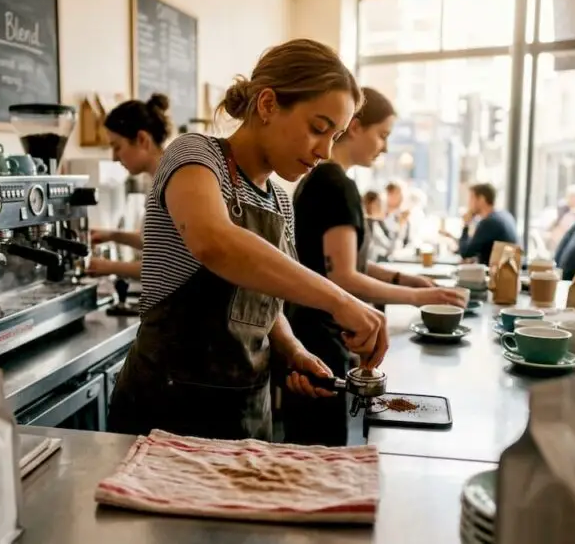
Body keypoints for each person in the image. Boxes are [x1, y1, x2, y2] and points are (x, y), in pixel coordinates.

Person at [107, 39, 388, 441]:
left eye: (336, 135)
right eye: (318, 128)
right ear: (269, 105)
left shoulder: (280, 203)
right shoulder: (195, 156)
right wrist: (339, 299)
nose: (325, 150)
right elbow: (215, 243)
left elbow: (262, 306)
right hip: (166, 415)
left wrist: (293, 352)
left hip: (246, 419)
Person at [282, 87, 466, 446]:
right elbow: (343, 276)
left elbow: (349, 263)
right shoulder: (338, 185)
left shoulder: (316, 179)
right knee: (322, 449)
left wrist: (403, 278)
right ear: (354, 127)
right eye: (381, 135)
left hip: (305, 325)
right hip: (322, 335)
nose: (384, 147)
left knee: (306, 442)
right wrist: (417, 296)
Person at [87, 94, 172, 279]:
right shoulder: (160, 181)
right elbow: (156, 243)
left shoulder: (171, 185)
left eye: (117, 147)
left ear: (142, 139)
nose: (114, 158)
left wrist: (108, 266)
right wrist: (112, 235)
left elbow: (170, 268)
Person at [458, 183, 518, 265]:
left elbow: (466, 253)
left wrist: (466, 225)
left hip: (493, 275)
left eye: (471, 198)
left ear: (482, 199)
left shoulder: (489, 222)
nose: (468, 204)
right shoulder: (505, 215)